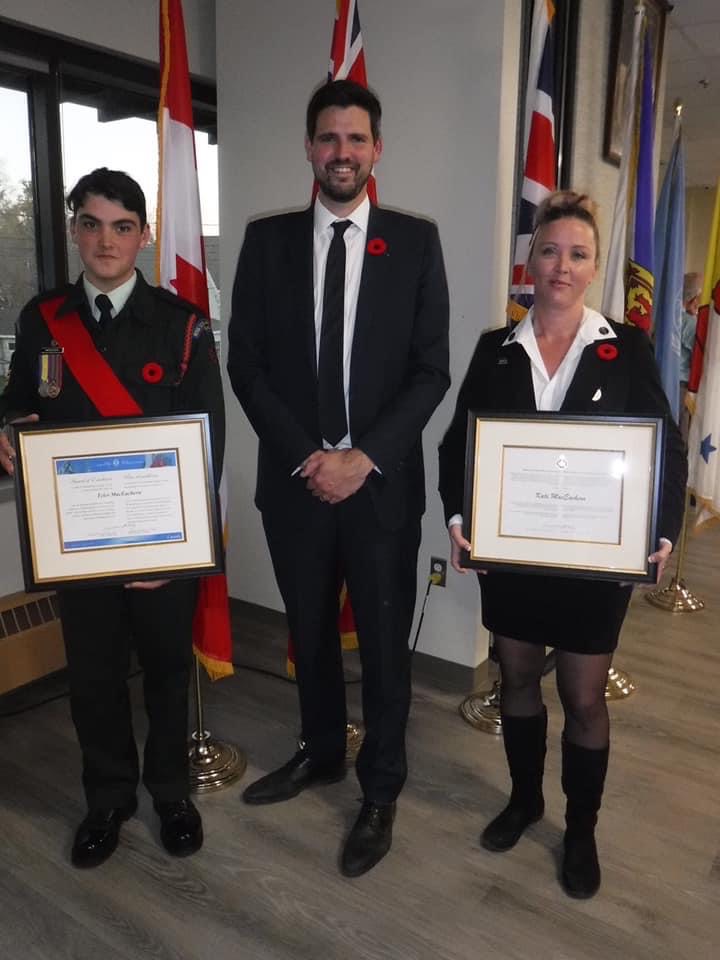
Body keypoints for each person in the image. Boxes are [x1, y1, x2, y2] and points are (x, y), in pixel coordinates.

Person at [227, 80, 449, 877]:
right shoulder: (267, 242)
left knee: (385, 650)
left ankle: (380, 788)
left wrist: (362, 457)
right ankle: (321, 752)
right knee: (310, 634)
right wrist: (309, 457)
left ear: (376, 149)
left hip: (380, 488)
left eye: (356, 139)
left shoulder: (414, 243)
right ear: (309, 147)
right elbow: (246, 365)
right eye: (328, 138)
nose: (342, 152)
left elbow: (430, 371)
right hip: (297, 485)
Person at [438, 191, 686, 899]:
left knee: (583, 697)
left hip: (593, 563)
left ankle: (581, 829)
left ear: (594, 266)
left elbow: (665, 450)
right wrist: (458, 519)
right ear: (531, 261)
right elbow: (459, 445)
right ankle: (525, 801)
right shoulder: (496, 349)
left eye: (578, 254)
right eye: (549, 250)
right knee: (516, 680)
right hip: (515, 557)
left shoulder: (625, 348)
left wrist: (660, 534)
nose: (561, 265)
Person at [0, 168, 225, 868]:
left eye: (122, 226)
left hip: (160, 544)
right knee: (94, 680)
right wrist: (7, 427)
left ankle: (171, 794)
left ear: (144, 234)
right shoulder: (43, 319)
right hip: (80, 545)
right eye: (92, 224)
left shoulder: (182, 325)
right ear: (74, 229)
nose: (106, 241)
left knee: (166, 674)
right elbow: (18, 398)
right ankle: (107, 798)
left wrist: (179, 553)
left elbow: (209, 443)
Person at [680, 271, 701, 442]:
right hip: (682, 388)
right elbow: (700, 355)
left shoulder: (671, 317)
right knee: (681, 436)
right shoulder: (691, 323)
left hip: (665, 382)